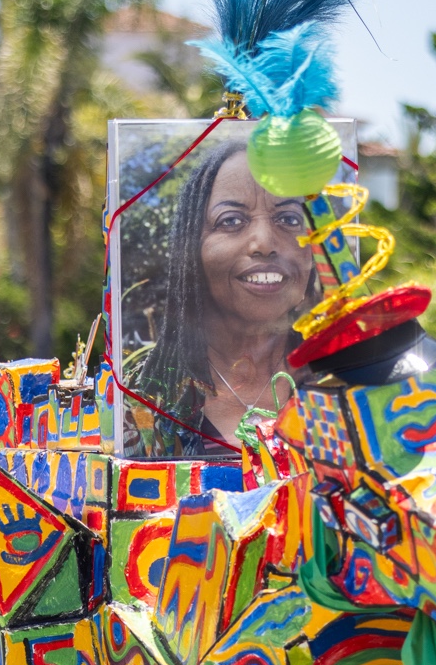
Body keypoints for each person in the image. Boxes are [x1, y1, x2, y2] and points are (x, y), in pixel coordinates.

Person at [125, 141, 323, 456]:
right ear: (191, 253)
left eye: (288, 219)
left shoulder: (346, 381)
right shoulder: (145, 399)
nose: (265, 243)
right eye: (230, 221)